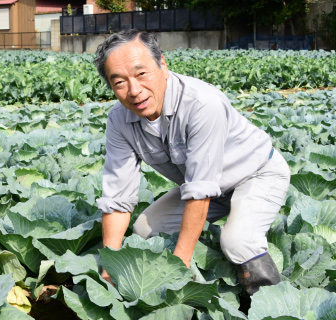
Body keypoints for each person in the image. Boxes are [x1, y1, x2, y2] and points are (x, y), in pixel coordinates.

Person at [94, 29, 290, 295]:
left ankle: (268, 303)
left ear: (162, 64)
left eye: (142, 74)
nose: (134, 90)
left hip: (256, 175)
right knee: (144, 229)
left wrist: (179, 265)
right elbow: (117, 197)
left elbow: (199, 190)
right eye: (119, 82)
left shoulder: (201, 104)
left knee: (237, 242)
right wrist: (110, 263)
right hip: (210, 189)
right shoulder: (119, 120)